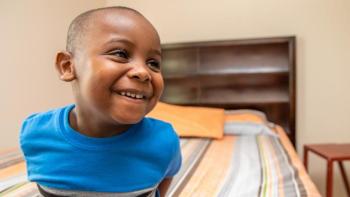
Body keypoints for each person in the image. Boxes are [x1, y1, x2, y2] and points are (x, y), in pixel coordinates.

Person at [19, 6, 182, 197]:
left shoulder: (164, 140)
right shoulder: (34, 133)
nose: (143, 72)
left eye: (153, 63)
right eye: (120, 53)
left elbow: (167, 175)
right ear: (68, 66)